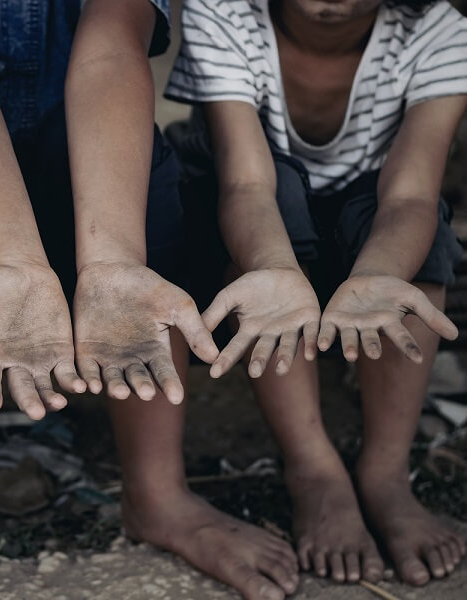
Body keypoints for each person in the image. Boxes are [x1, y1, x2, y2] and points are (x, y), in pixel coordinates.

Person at [0, 0, 303, 598]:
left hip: (87, 122)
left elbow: (113, 47)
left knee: (140, 169)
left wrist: (114, 263)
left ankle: (159, 493)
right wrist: (15, 265)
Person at [166, 0, 467, 591]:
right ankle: (314, 470)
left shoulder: (443, 32)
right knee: (277, 193)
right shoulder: (222, 12)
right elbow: (246, 181)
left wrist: (377, 275)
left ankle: (385, 471)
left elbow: (407, 197)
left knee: (421, 228)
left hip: (371, 212)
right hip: (250, 209)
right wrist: (274, 268)